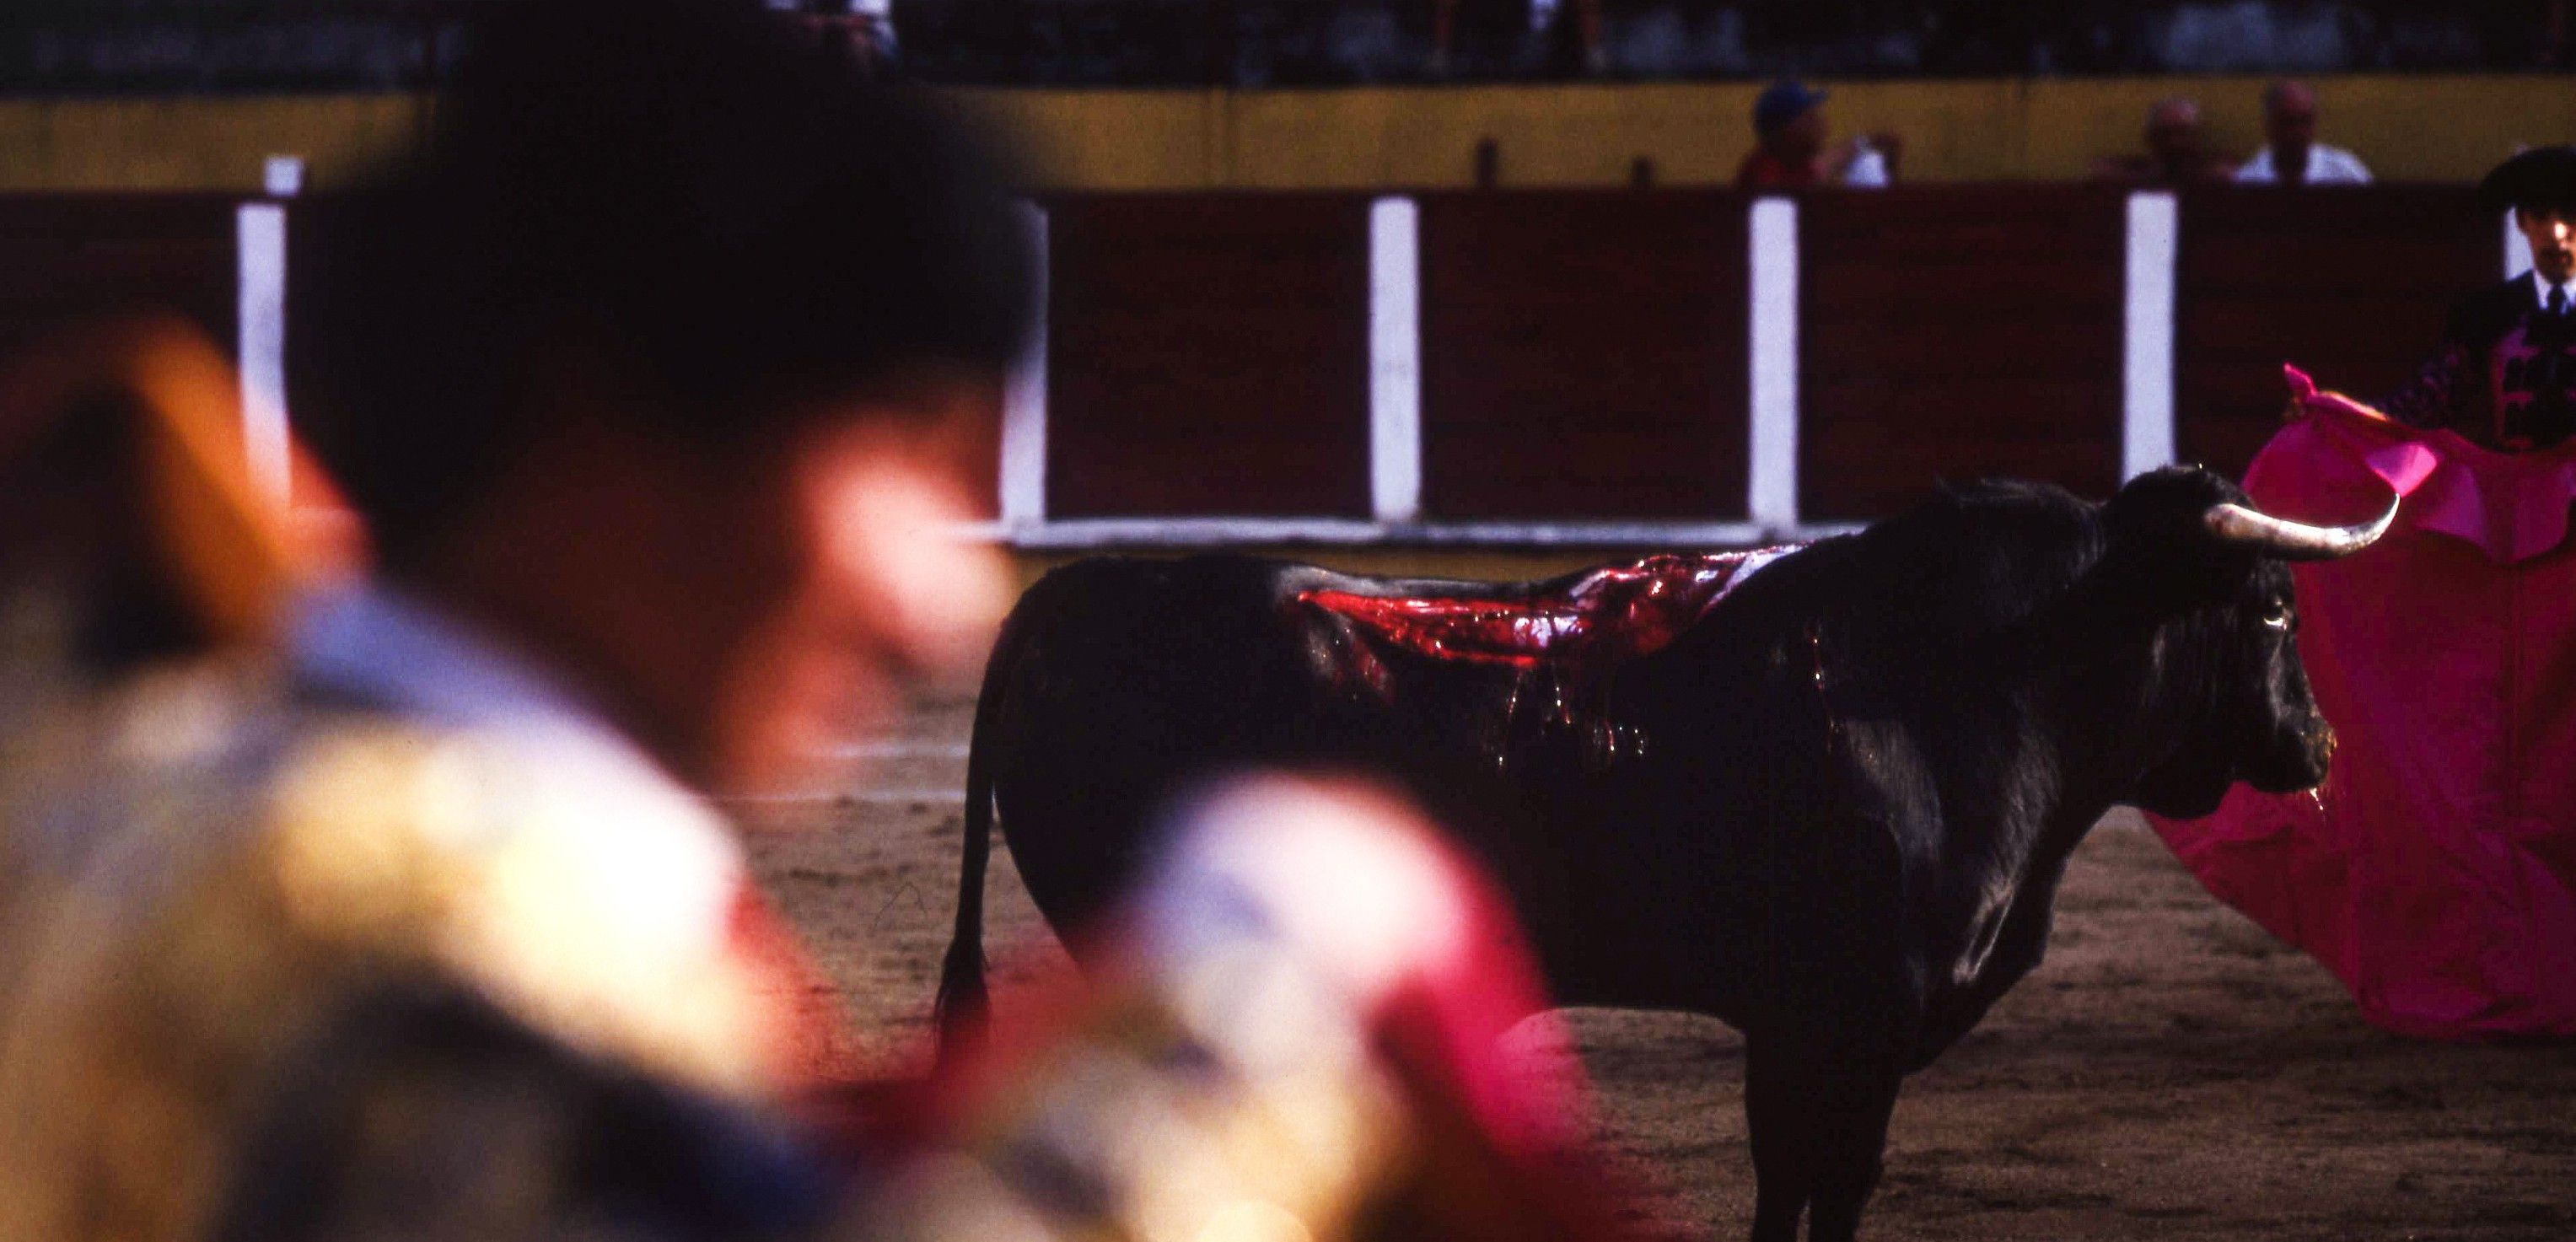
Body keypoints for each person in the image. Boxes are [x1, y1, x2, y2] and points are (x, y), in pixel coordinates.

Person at [0, 0, 1034, 1234]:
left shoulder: (106, 781)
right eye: (897, 445)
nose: (947, 610)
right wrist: (1236, 1009)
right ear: (594, 419)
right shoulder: (440, 943)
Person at [2379, 146, 2576, 449]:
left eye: (2570, 215)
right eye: (2540, 216)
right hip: (2517, 493)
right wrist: (2329, 413)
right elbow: (2419, 407)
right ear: (2522, 222)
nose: (2556, 232)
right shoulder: (2488, 314)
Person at [1734, 78, 1900, 191]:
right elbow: (1822, 169)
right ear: (1787, 129)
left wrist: (1868, 142)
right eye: (1810, 118)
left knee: (1867, 162)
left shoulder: (1792, 161)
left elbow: (1829, 161)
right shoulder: (1766, 175)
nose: (1821, 125)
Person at [2234, 81, 2372, 185]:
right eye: (2288, 122)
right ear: (2268, 126)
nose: (2298, 132)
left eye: (2305, 121)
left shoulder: (2345, 172)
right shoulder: (2249, 179)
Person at [2090, 98, 2233, 186]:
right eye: (2166, 132)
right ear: (2150, 137)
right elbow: (2102, 170)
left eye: (2182, 132)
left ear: (2196, 136)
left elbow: (2226, 172)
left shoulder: (2213, 170)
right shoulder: (2134, 169)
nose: (2175, 140)